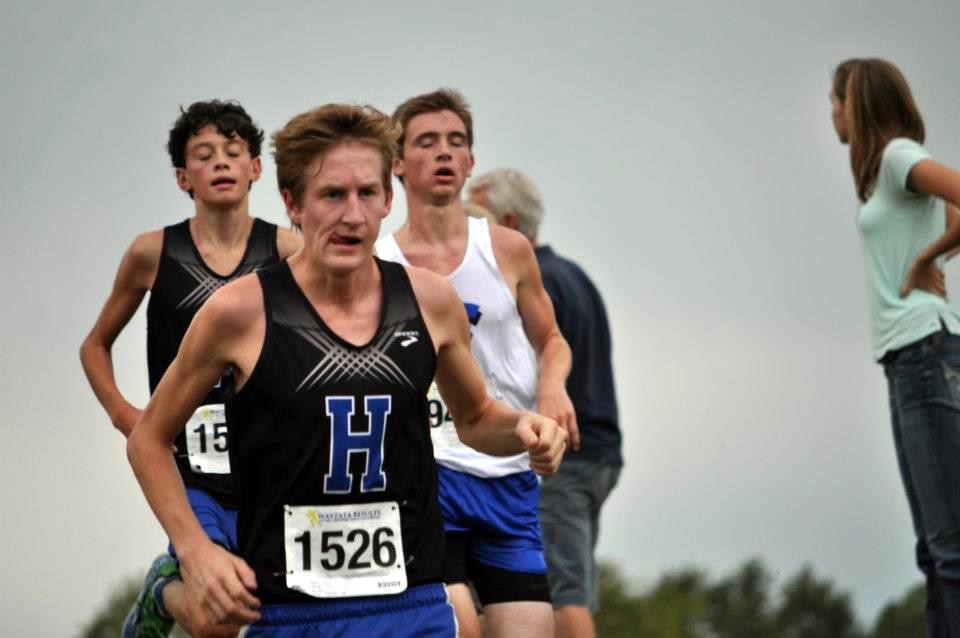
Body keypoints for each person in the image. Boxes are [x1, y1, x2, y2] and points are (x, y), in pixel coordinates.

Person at [125, 102, 567, 637]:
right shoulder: (239, 313)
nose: (353, 215)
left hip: (413, 604)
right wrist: (194, 550)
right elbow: (148, 439)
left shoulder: (430, 302)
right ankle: (163, 589)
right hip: (290, 613)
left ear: (387, 200)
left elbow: (475, 419)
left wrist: (525, 427)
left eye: (367, 194)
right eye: (332, 195)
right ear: (292, 202)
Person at [79, 100, 301, 637]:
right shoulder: (153, 253)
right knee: (215, 621)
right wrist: (128, 417)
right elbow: (95, 345)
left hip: (270, 467)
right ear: (183, 177)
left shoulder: (288, 251)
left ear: (255, 168)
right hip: (192, 472)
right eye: (204, 154)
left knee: (265, 606)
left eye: (233, 151)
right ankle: (162, 590)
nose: (220, 162)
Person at [375, 89, 578, 638]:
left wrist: (553, 388)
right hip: (427, 476)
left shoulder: (508, 249)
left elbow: (552, 339)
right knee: (459, 628)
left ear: (470, 161)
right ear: (397, 163)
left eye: (455, 141)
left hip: (508, 474)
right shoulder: (379, 262)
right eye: (426, 142)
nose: (443, 152)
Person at [831, 58, 960, 637]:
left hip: (925, 353)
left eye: (836, 101)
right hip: (908, 360)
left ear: (856, 104)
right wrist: (934, 249)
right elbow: (948, 214)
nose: (832, 114)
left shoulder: (897, 156)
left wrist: (928, 258)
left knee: (949, 548)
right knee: (934, 551)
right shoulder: (883, 172)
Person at [468, 168, 622, 638]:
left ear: (510, 222)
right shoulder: (575, 275)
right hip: (599, 455)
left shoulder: (532, 284)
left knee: (561, 597)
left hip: (560, 459)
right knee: (571, 587)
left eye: (476, 217)